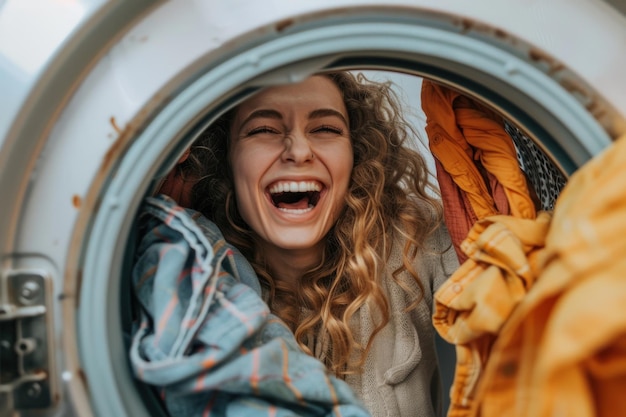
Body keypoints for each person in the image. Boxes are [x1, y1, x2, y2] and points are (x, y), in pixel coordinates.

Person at [166, 71, 459, 417]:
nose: (300, 151)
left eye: (325, 129)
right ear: (228, 160)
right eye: (264, 130)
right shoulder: (192, 270)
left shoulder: (417, 240)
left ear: (356, 155)